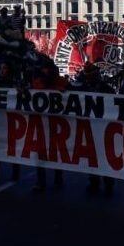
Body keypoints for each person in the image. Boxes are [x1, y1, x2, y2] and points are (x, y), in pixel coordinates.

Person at [32, 62, 69, 191]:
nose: (45, 73)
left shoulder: (61, 82)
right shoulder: (38, 81)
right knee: (41, 153)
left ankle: (58, 177)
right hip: (41, 124)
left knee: (56, 152)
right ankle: (41, 181)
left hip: (56, 124)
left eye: (46, 71)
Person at [81, 64, 115, 196]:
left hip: (104, 127)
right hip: (90, 127)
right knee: (92, 156)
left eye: (92, 75)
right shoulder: (84, 88)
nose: (90, 78)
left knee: (104, 155)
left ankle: (108, 181)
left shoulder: (107, 89)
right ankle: (94, 180)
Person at [0, 62, 20, 184]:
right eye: (1, 68)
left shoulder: (14, 83)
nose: (2, 70)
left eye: (5, 68)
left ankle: (15, 172)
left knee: (12, 147)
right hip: (0, 119)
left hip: (11, 120)